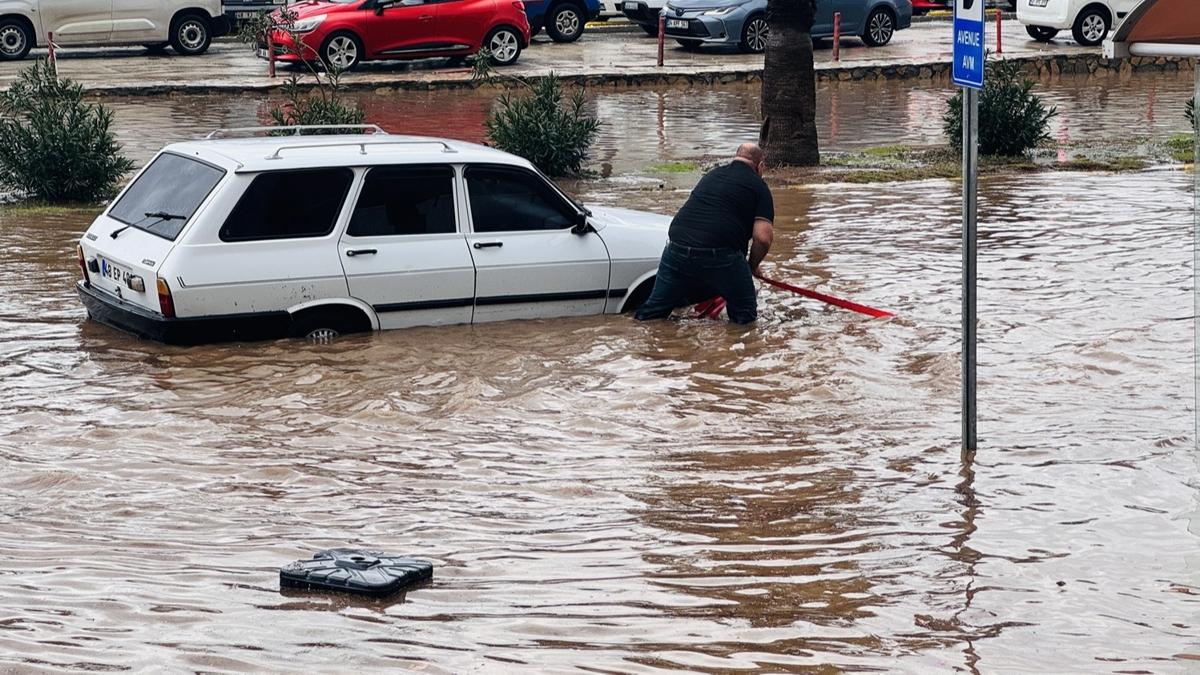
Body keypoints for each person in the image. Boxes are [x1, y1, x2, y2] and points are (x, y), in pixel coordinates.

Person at [635, 142, 775, 324]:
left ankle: (642, 342)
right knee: (745, 320)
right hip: (721, 254)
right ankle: (741, 350)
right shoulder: (759, 187)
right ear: (760, 166)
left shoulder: (712, 175)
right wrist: (752, 265)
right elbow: (763, 238)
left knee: (652, 313)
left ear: (735, 157)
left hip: (677, 247)